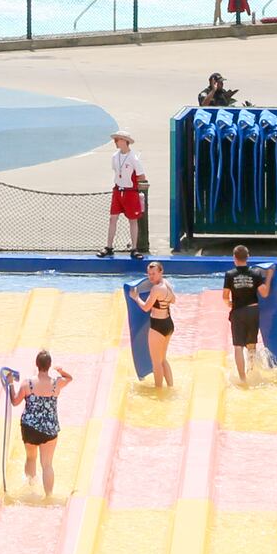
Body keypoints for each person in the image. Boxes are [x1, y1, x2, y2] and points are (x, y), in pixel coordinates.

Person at [7, 350, 72, 496]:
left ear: (36, 365)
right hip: (50, 429)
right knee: (47, 465)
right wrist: (61, 371)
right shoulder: (57, 383)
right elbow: (70, 378)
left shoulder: (27, 383)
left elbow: (15, 401)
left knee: (31, 458)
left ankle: (30, 489)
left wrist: (11, 384)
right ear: (49, 366)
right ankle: (48, 495)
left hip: (29, 427)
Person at [222, 245, 271, 385]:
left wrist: (230, 303)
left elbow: (225, 296)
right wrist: (268, 277)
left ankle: (243, 378)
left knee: (238, 346)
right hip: (253, 311)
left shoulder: (230, 274)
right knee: (251, 344)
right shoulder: (255, 273)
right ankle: (252, 372)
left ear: (234, 258)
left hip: (238, 312)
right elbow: (265, 293)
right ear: (247, 257)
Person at [97, 128, 145, 259]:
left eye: (117, 139)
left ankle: (134, 248)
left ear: (124, 141)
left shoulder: (133, 158)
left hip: (130, 192)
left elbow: (141, 176)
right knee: (113, 218)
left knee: (132, 220)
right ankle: (109, 246)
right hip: (118, 191)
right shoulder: (115, 156)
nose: (115, 142)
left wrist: (130, 180)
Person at [130, 260, 177, 389]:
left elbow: (146, 308)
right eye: (149, 274)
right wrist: (163, 302)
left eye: (154, 274)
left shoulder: (156, 288)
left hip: (158, 325)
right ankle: (170, 386)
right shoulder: (166, 284)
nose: (151, 277)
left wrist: (136, 297)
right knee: (163, 359)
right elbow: (173, 300)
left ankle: (158, 391)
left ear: (161, 272)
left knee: (156, 362)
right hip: (168, 324)